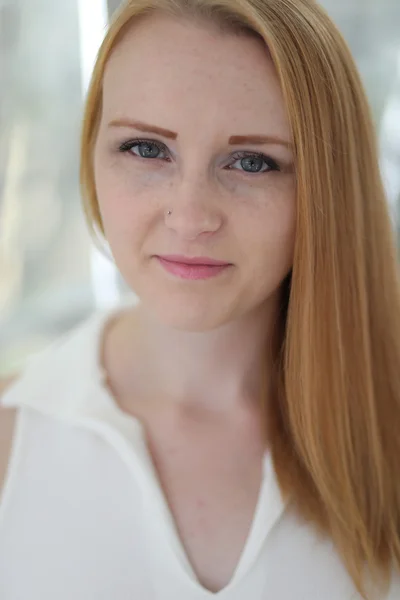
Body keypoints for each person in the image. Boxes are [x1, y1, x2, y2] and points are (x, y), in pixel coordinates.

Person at [0, 0, 399, 598]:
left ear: (326, 186)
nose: (189, 218)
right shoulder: (11, 439)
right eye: (146, 149)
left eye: (252, 161)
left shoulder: (384, 428)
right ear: (91, 154)